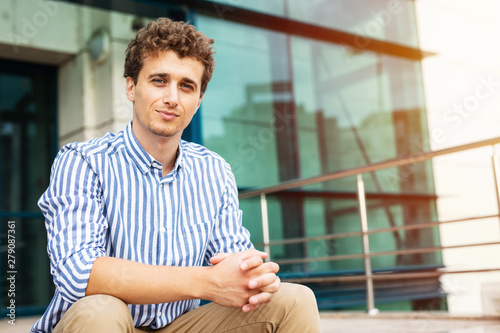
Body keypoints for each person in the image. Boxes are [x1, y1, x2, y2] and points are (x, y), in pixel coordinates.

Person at [31, 17, 321, 332]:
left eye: (186, 86)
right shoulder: (82, 162)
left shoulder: (213, 170)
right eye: (159, 80)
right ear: (131, 86)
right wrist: (208, 283)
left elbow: (233, 261)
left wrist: (252, 275)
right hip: (101, 325)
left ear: (198, 100)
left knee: (295, 299)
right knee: (102, 309)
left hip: (178, 325)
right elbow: (78, 275)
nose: (172, 97)